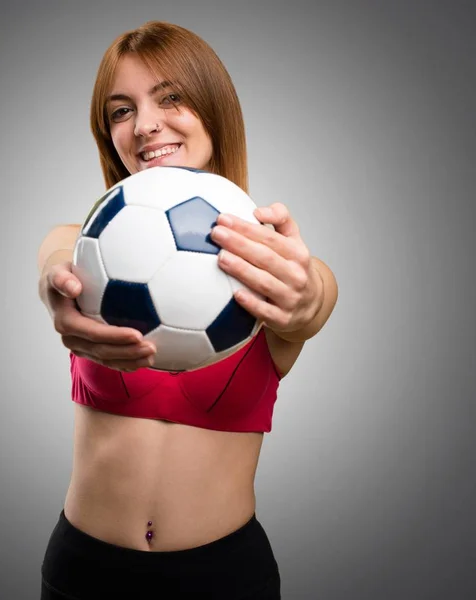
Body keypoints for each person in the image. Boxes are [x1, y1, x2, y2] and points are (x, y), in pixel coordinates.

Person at [37, 20, 338, 600]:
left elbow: (314, 296)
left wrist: (307, 300)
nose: (146, 125)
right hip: (82, 571)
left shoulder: (273, 269)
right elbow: (53, 265)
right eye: (121, 111)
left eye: (171, 97)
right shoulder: (82, 246)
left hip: (224, 577)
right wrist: (57, 291)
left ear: (213, 106)